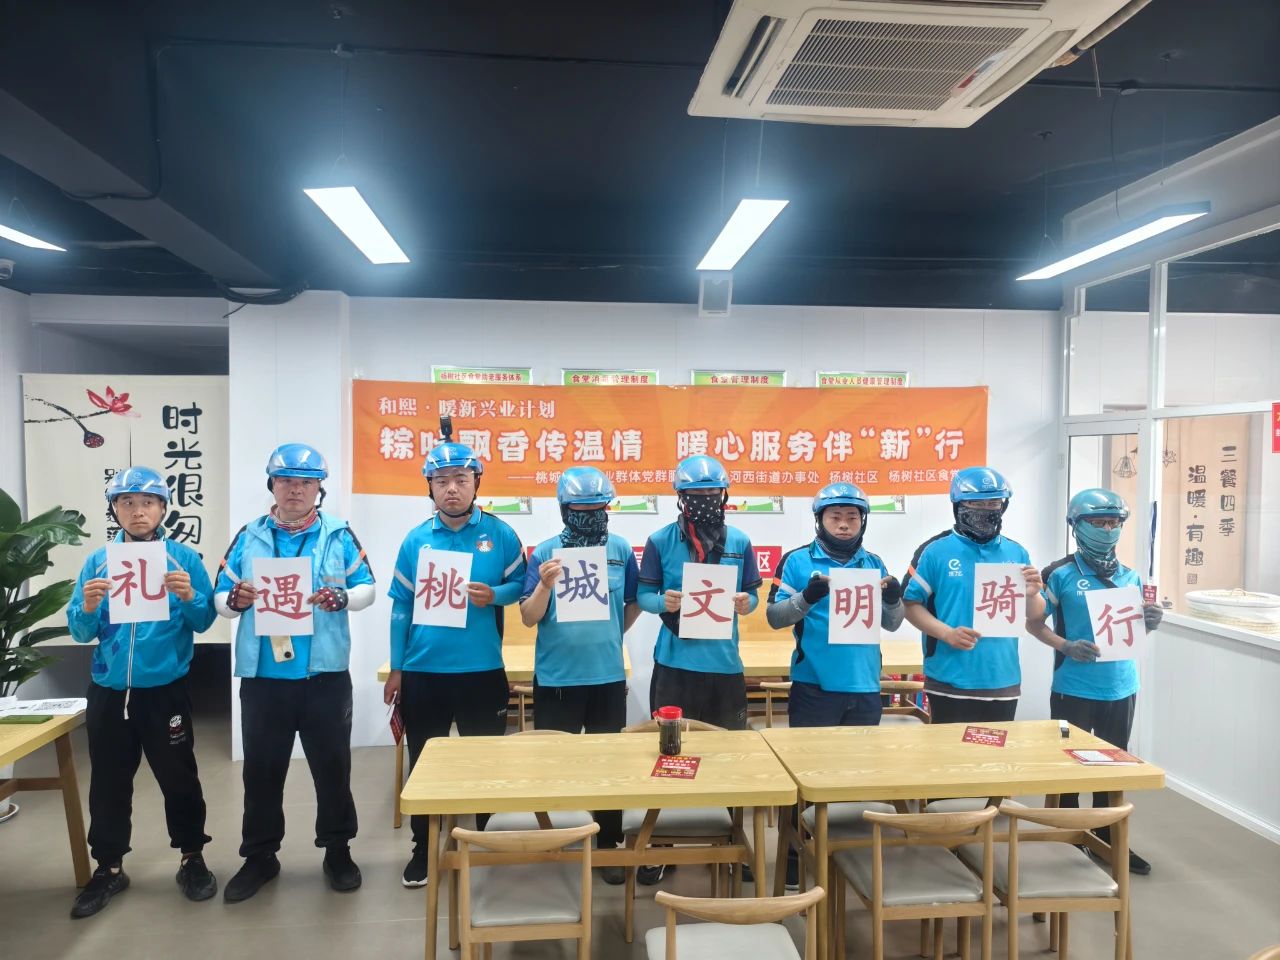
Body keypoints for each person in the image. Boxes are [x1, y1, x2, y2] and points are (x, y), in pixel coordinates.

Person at [215, 443, 376, 902]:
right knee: (261, 772)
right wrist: (235, 601)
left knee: (332, 768)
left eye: (306, 482)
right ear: (272, 485)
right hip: (264, 679)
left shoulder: (339, 534)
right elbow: (220, 598)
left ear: (319, 489)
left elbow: (367, 587)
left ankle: (338, 851)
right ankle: (260, 857)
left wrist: (344, 598)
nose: (295, 489)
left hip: (324, 676)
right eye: (286, 480)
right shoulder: (249, 535)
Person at [65, 466, 218, 918]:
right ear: (114, 509)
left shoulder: (183, 559)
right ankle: (109, 868)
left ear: (163, 508)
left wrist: (190, 596)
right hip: (110, 691)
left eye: (147, 502)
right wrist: (87, 606)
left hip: (165, 691)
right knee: (108, 783)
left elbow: (205, 620)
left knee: (179, 777)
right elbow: (80, 631)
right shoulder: (99, 562)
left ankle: (192, 858)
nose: (137, 511)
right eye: (126, 502)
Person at [383, 438, 527, 889]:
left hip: (481, 671)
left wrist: (495, 595)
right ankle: (423, 849)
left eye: (460, 479)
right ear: (429, 486)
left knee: (486, 763)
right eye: (441, 480)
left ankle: (486, 840)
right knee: (424, 763)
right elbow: (401, 606)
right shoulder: (416, 539)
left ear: (475, 483)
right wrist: (397, 668)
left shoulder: (500, 534)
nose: (451, 489)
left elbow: (521, 586)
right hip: (424, 671)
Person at [767, 481, 904, 889]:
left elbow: (892, 623)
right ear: (819, 521)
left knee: (855, 777)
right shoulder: (797, 561)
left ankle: (842, 855)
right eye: (835, 517)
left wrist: (894, 599)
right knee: (806, 776)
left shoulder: (874, 563)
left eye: (851, 518)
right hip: (815, 685)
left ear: (863, 522)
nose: (844, 525)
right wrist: (807, 597)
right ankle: (794, 854)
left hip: (864, 687)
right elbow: (774, 617)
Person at [634, 454, 760, 885]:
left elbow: (752, 596)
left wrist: (745, 603)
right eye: (694, 494)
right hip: (675, 665)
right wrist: (662, 602)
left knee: (729, 758)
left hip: (724, 666)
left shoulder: (740, 541)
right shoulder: (660, 541)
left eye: (711, 493)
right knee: (668, 756)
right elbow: (644, 595)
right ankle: (659, 844)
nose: (704, 500)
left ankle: (735, 842)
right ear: (680, 497)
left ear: (723, 495)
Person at [1027, 487, 1162, 875]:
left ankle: (1108, 839)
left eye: (1113, 522)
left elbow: (1131, 630)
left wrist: (1151, 621)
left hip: (1122, 686)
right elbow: (1034, 623)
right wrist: (1065, 645)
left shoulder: (1130, 576)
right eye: (1098, 522)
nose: (1107, 530)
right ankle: (1068, 838)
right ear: (1076, 525)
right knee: (1068, 767)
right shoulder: (1060, 574)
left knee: (1111, 767)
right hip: (1072, 687)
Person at [520, 466, 639, 885]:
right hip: (557, 678)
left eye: (597, 509)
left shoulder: (620, 550)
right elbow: (528, 616)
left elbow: (633, 602)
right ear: (564, 510)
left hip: (606, 676)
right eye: (580, 510)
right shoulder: (544, 553)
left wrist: (611, 633)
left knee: (610, 766)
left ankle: (608, 844)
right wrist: (544, 587)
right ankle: (558, 840)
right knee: (555, 766)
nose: (589, 516)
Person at [902, 466, 1045, 723]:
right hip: (949, 679)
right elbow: (910, 604)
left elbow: (1035, 614)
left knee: (996, 750)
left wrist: (1032, 594)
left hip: (1002, 679)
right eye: (976, 503)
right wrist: (947, 633)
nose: (986, 510)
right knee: (950, 749)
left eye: (993, 503)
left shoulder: (1017, 553)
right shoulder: (935, 551)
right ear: (958, 505)